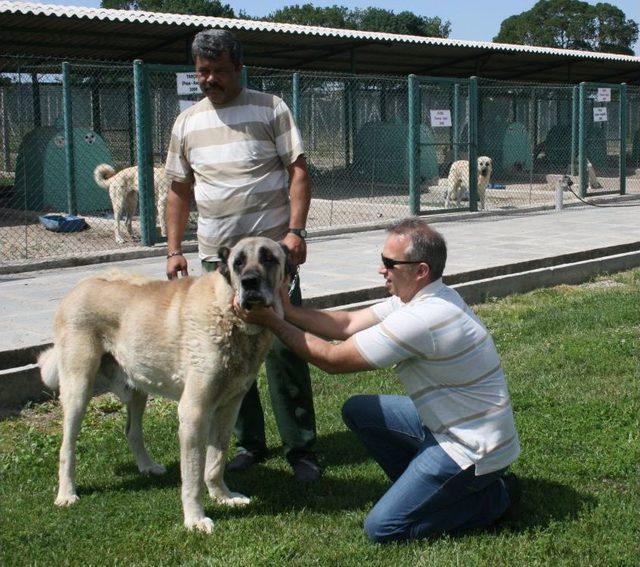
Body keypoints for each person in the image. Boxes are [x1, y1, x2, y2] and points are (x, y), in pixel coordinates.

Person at [235, 218, 521, 542]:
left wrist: (271, 320)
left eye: (389, 263)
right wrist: (286, 309)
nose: (380, 270)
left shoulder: (422, 319)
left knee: (383, 529)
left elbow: (333, 359)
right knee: (360, 410)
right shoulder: (421, 297)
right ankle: (425, 489)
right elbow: (346, 323)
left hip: (472, 449)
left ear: (420, 270)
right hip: (453, 426)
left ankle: (494, 497)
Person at [164, 29, 320, 482]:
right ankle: (249, 444)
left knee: (285, 348)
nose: (209, 79)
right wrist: (175, 250)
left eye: (219, 71)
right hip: (220, 263)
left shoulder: (270, 107)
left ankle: (301, 447)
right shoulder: (186, 123)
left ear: (239, 69)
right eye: (202, 72)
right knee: (229, 352)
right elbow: (177, 189)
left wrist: (295, 232)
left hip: (271, 259)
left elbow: (298, 172)